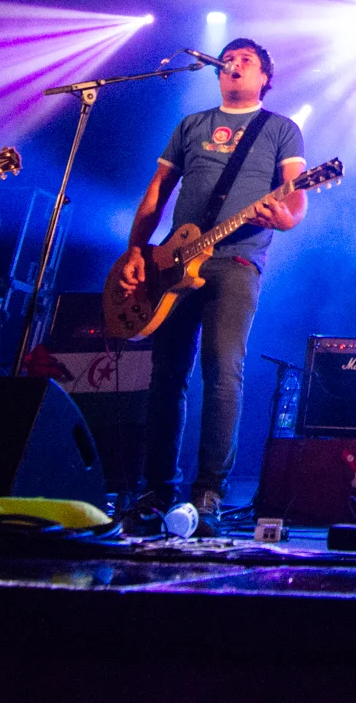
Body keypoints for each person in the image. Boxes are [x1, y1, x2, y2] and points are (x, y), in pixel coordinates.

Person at [117, 38, 305, 533]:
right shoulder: (192, 124)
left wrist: (284, 218)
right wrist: (137, 249)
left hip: (236, 261)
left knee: (223, 372)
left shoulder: (281, 128)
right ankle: (156, 490)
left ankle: (208, 494)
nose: (234, 64)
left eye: (247, 61)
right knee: (166, 375)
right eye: (229, 59)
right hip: (173, 260)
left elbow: (297, 196)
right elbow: (157, 191)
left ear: (265, 77)